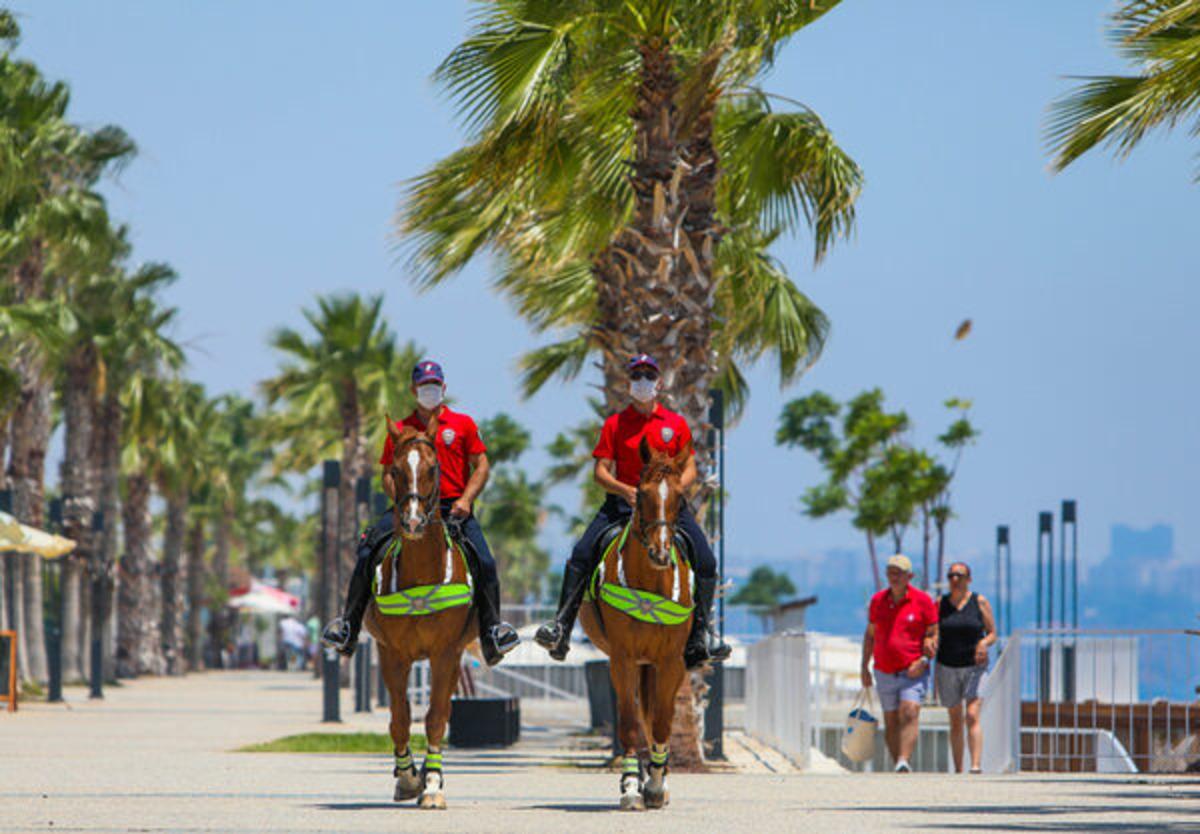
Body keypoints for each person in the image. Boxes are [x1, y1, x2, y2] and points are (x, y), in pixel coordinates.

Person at [534, 353, 731, 670]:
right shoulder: (615, 424)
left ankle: (702, 634)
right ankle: (561, 627)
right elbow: (600, 471)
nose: (643, 381)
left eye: (649, 376)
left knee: (706, 561)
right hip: (621, 507)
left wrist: (674, 490)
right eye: (637, 376)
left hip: (667, 510)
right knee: (581, 554)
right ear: (628, 383)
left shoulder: (675, 424)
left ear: (659, 383)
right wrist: (624, 489)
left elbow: (691, 466)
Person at [321, 360, 519, 665]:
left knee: (486, 562)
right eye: (424, 385)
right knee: (367, 551)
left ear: (444, 387)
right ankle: (349, 628)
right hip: (408, 508)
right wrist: (404, 504)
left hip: (454, 509)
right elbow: (388, 475)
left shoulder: (463, 424)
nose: (430, 390)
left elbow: (481, 465)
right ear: (414, 390)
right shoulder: (400, 430)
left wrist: (466, 500)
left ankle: (492, 633)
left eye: (435, 385)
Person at [860, 554, 939, 772]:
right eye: (890, 573)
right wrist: (864, 667)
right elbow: (870, 634)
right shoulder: (877, 601)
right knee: (891, 719)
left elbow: (934, 634)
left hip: (913, 669)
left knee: (910, 711)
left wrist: (924, 659)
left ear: (909, 576)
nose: (893, 577)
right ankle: (899, 765)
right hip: (884, 670)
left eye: (898, 573)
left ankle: (904, 759)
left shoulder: (923, 601)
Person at [936, 561, 997, 774]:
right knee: (955, 718)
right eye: (951, 576)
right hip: (947, 665)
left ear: (968, 579)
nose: (955, 579)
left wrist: (983, 643)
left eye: (959, 575)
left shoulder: (979, 602)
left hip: (974, 666)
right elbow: (933, 631)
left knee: (971, 714)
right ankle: (959, 768)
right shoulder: (940, 604)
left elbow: (992, 633)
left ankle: (975, 765)